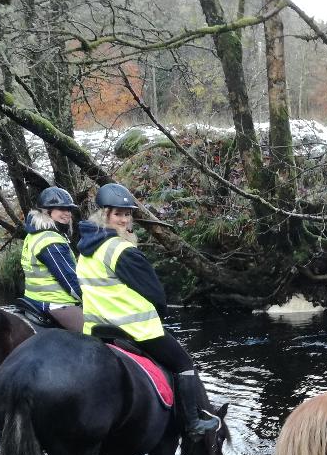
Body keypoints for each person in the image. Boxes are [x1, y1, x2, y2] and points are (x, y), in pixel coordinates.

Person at [74, 182, 219, 437]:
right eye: (118, 214)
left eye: (127, 214)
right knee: (184, 363)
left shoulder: (85, 251)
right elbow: (155, 295)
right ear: (105, 214)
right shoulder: (122, 250)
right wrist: (159, 314)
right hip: (134, 329)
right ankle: (192, 424)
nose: (124, 219)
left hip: (96, 330)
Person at [20, 185, 84, 333]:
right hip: (56, 302)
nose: (67, 213)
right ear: (47, 212)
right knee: (98, 336)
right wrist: (93, 300)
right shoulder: (50, 241)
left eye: (69, 209)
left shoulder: (34, 234)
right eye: (61, 209)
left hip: (33, 298)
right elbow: (70, 280)